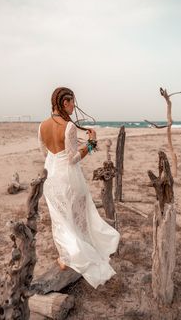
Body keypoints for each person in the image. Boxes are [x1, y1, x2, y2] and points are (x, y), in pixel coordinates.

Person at [38, 87, 120, 289]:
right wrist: (91, 144)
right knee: (78, 215)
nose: (74, 106)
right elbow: (73, 158)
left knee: (60, 218)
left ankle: (65, 255)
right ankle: (78, 252)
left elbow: (44, 153)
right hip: (68, 177)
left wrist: (55, 163)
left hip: (51, 176)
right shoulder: (68, 127)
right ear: (65, 103)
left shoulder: (41, 126)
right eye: (73, 102)